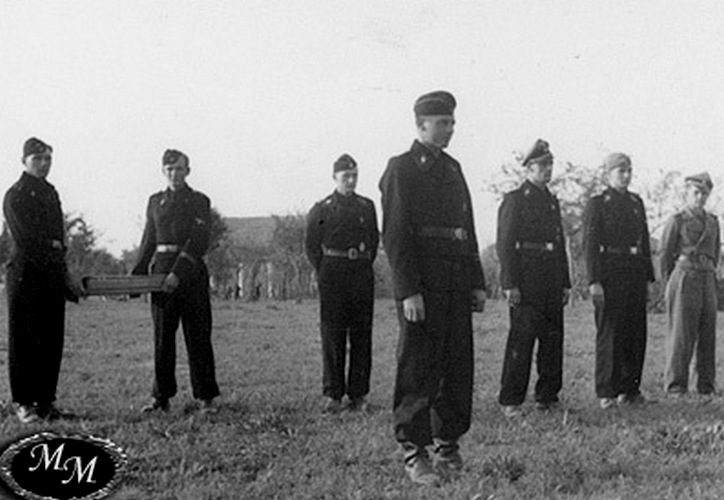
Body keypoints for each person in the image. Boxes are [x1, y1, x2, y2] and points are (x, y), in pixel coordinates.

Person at [379, 91, 486, 486]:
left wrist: (477, 281)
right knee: (418, 366)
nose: (450, 129)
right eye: (442, 122)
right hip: (423, 284)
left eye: (452, 122)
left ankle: (448, 444)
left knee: (456, 366)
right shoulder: (401, 168)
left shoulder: (453, 168)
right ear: (420, 125)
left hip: (456, 282)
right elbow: (395, 234)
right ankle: (414, 451)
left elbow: (467, 228)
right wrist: (408, 290)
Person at [131, 149, 220, 413]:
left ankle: (206, 397)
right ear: (163, 171)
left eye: (179, 169)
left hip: (190, 274)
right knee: (162, 338)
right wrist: (137, 278)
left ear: (187, 171)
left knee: (198, 336)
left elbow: (198, 241)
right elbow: (148, 240)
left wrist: (177, 274)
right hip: (160, 275)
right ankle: (161, 398)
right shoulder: (155, 201)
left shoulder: (199, 200)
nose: (174, 174)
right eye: (169, 169)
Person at [3, 137, 83, 423]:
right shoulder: (15, 194)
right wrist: (54, 253)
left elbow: (59, 237)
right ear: (24, 161)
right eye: (37, 159)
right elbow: (26, 239)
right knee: (24, 338)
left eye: (48, 158)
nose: (44, 164)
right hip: (26, 273)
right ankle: (24, 402)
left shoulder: (50, 192)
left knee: (50, 338)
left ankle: (46, 401)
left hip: (51, 272)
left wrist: (62, 269)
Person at [496, 139, 571, 418]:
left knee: (552, 340)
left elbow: (559, 244)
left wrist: (565, 282)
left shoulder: (552, 202)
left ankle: (548, 397)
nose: (547, 169)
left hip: (551, 277)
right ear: (528, 168)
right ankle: (511, 400)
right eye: (542, 165)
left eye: (550, 164)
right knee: (522, 340)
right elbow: (505, 243)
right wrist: (509, 283)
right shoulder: (515, 199)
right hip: (526, 278)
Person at [305, 154, 379, 413]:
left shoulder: (366, 207)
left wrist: (361, 263)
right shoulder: (322, 209)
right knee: (333, 334)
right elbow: (311, 246)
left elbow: (373, 241)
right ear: (334, 177)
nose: (351, 181)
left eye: (354, 176)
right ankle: (333, 394)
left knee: (362, 334)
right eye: (346, 176)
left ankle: (358, 394)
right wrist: (325, 270)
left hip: (360, 272)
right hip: (333, 274)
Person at [582, 153, 655, 409]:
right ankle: (607, 392)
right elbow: (590, 245)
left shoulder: (636, 202)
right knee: (610, 333)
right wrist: (594, 280)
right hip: (610, 273)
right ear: (608, 174)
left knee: (635, 333)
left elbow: (644, 242)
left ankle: (630, 389)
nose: (626, 175)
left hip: (635, 272)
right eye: (620, 171)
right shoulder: (598, 203)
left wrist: (648, 278)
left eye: (629, 171)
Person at [658, 172, 720, 397]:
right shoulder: (677, 220)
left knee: (708, 332)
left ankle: (706, 386)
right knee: (681, 333)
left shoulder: (713, 222)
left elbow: (715, 253)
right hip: (685, 276)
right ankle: (676, 386)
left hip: (707, 277)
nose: (700, 197)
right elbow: (665, 255)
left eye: (704, 194)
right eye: (696, 193)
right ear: (687, 193)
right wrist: (669, 284)